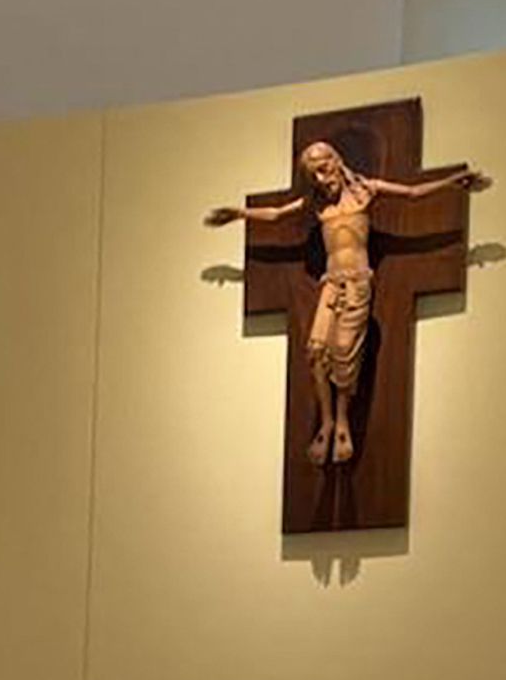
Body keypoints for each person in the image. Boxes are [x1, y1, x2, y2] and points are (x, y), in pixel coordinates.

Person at [204, 137, 488, 468]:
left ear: (336, 161)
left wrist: (453, 183)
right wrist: (239, 214)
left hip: (357, 282)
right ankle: (325, 421)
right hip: (330, 281)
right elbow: (278, 214)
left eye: (324, 169)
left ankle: (341, 422)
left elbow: (412, 194)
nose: (322, 180)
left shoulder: (366, 191)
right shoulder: (317, 204)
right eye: (314, 176)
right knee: (315, 350)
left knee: (342, 353)